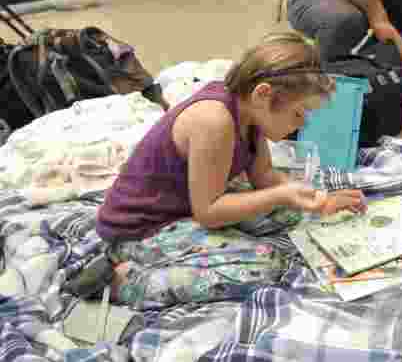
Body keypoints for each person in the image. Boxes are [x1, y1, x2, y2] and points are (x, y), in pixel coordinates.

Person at [96, 33, 367, 309]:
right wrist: (282, 194)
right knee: (263, 264)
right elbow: (209, 213)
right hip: (140, 229)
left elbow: (264, 177)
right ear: (263, 94)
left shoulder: (250, 112)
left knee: (293, 210)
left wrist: (319, 199)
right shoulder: (214, 120)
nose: (300, 124)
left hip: (189, 203)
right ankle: (124, 282)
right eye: (298, 113)